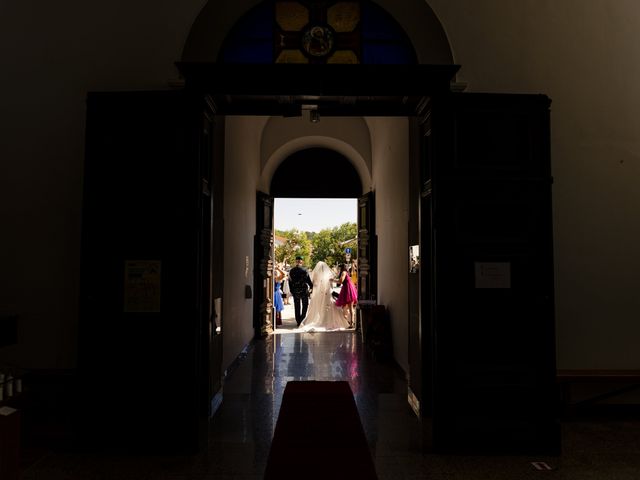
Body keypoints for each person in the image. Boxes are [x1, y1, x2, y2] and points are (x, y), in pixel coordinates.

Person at [300, 261, 350, 331]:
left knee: (320, 306)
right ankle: (328, 319)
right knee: (329, 306)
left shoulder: (315, 274)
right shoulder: (328, 274)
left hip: (319, 293)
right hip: (327, 292)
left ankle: (321, 319)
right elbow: (331, 285)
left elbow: (314, 284)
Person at [287, 255, 313, 326]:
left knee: (297, 306)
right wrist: (311, 287)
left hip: (295, 291)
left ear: (296, 261)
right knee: (305, 305)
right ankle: (302, 319)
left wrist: (292, 291)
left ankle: (298, 320)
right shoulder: (305, 270)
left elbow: (290, 282)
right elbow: (308, 281)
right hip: (304, 291)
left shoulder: (292, 271)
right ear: (302, 261)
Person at [335, 263, 358, 328]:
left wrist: (333, 280)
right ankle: (349, 322)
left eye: (338, 268)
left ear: (341, 268)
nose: (338, 270)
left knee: (350, 308)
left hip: (348, 290)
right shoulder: (345, 272)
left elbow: (341, 281)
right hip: (346, 289)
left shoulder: (344, 272)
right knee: (345, 308)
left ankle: (352, 323)